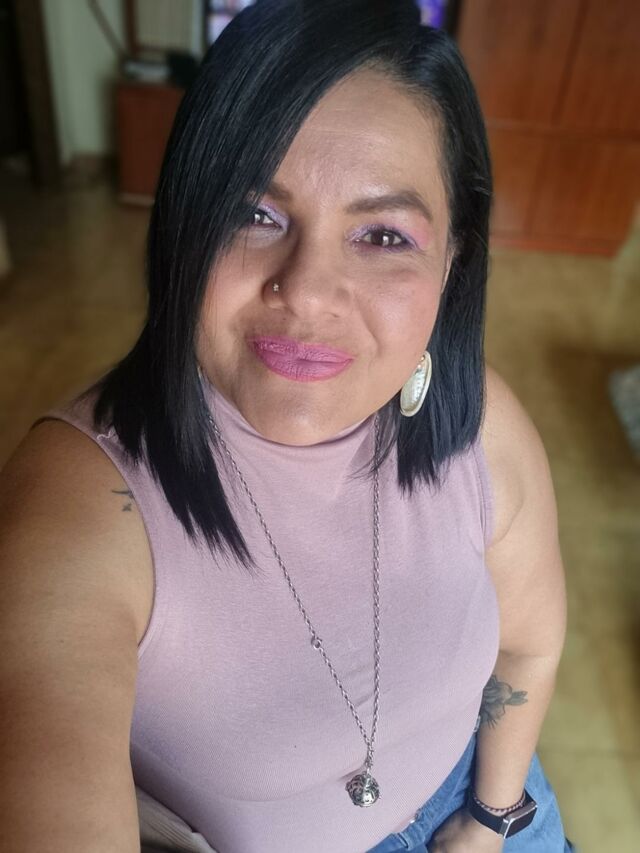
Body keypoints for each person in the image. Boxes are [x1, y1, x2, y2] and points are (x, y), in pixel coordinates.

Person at [0, 1, 575, 851]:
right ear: (184, 227)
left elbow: (527, 648)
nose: (305, 292)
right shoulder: (77, 506)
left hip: (493, 803)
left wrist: (490, 820)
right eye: (255, 213)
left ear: (453, 260)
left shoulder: (480, 424)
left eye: (383, 235)